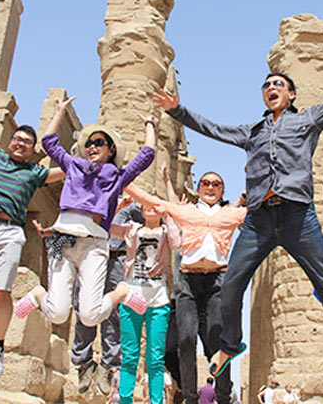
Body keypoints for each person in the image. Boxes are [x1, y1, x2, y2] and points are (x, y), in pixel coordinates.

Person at [153, 42, 323, 395]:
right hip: (259, 219)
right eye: (266, 85)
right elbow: (213, 128)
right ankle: (230, 344)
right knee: (231, 284)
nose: (271, 88)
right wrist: (177, 111)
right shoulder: (252, 132)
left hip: (297, 217)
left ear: (291, 95)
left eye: (278, 84)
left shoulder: (308, 120)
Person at [13, 96, 156, 333]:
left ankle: (121, 292)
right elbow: (49, 143)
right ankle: (38, 294)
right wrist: (60, 111)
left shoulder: (117, 176)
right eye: (89, 143)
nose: (92, 147)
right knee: (58, 314)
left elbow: (147, 155)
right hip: (62, 239)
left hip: (94, 244)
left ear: (111, 150)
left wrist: (149, 124)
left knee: (90, 316)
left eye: (99, 142)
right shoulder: (73, 166)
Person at [0, 78, 65, 380]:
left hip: (9, 231)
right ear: (10, 141)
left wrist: (96, 159)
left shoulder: (34, 172)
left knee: (1, 291)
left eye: (26, 142)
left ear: (32, 149)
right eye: (17, 139)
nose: (20, 143)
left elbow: (69, 169)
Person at [125, 170, 246, 404]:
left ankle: (224, 397)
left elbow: (258, 213)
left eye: (216, 184)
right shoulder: (187, 211)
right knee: (186, 340)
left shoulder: (231, 213)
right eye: (206, 183)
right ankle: (190, 398)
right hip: (188, 282)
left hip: (216, 283)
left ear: (222, 190)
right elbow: (153, 202)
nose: (210, 187)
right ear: (199, 189)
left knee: (216, 341)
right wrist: (123, 180)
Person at [69, 198, 144, 395]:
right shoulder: (94, 196)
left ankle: (108, 365)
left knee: (114, 313)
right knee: (83, 307)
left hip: (118, 257)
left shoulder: (135, 206)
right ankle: (84, 363)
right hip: (91, 251)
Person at [109, 198, 181, 404]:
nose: (151, 208)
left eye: (155, 205)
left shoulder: (166, 232)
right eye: (147, 205)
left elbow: (177, 243)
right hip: (132, 297)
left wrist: (168, 216)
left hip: (158, 299)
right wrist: (118, 207)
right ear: (140, 210)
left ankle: (156, 401)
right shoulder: (131, 229)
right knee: (129, 356)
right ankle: (125, 400)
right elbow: (106, 228)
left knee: (156, 358)